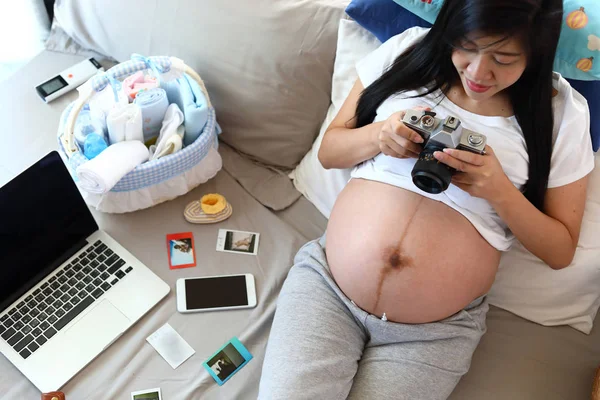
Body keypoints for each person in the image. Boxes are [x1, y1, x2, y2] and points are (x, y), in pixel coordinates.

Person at [258, 0, 595, 399]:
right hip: (329, 288)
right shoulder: (407, 52)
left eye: (503, 58)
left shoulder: (561, 112)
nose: (477, 71)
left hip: (432, 332)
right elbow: (330, 152)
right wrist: (378, 135)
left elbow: (560, 251)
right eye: (466, 45)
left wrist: (499, 189)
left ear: (536, 52)